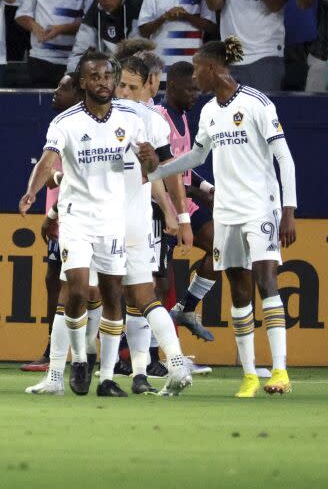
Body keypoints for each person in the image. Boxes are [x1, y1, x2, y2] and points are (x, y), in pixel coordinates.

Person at [148, 36, 297, 397]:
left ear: (212, 68)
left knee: (266, 281)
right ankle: (249, 375)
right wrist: (152, 172)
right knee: (239, 290)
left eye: (198, 68)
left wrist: (288, 211)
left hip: (261, 206)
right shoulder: (210, 112)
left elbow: (285, 159)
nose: (194, 77)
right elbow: (197, 158)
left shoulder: (257, 103)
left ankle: (280, 371)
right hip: (227, 211)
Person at [19, 49, 161, 398]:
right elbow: (49, 160)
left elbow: (152, 165)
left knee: (114, 294)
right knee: (79, 290)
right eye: (95, 77)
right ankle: (80, 358)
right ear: (83, 82)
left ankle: (108, 377)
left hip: (113, 221)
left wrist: (150, 159)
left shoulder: (129, 118)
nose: (103, 83)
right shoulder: (66, 122)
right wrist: (31, 192)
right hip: (77, 218)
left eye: (108, 77)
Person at [113, 54, 195, 395]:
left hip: (131, 219)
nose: (125, 92)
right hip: (116, 218)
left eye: (132, 87)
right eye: (121, 85)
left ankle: (140, 370)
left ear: (148, 86)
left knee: (137, 296)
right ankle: (140, 370)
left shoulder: (149, 120)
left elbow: (166, 170)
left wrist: (179, 214)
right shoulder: (102, 116)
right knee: (131, 297)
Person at [20, 73, 103, 384]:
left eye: (63, 87)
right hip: (62, 215)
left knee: (80, 288)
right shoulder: (62, 126)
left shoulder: (90, 126)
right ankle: (60, 354)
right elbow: (56, 173)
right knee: (57, 281)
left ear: (80, 91)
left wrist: (51, 193)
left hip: (81, 218)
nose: (55, 92)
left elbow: (63, 176)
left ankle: (81, 354)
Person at [157, 61, 218, 343]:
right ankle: (150, 351)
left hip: (186, 206)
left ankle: (186, 308)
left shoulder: (182, 116)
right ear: (171, 86)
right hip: (163, 208)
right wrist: (199, 194)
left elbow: (184, 166)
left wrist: (208, 187)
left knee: (224, 249)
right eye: (189, 90)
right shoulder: (159, 119)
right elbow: (159, 173)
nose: (196, 95)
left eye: (197, 89)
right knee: (159, 285)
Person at [67, 0, 142, 72]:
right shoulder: (95, 10)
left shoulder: (136, 8)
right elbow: (80, 51)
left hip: (131, 73)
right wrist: (71, 75)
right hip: (104, 70)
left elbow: (139, 52)